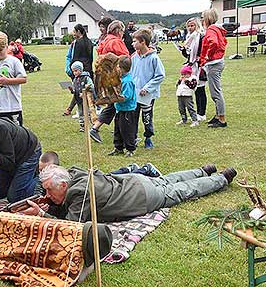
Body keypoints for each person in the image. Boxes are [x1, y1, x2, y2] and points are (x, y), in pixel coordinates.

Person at [22, 163, 237, 222]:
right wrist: (52, 203)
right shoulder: (74, 174)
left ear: (63, 186)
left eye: (50, 190)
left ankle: (221, 178)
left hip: (141, 197)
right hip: (135, 181)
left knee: (182, 191)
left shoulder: (80, 194)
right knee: (170, 179)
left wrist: (43, 214)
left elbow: (72, 224)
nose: (48, 194)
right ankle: (203, 170)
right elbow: (64, 203)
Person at [89, 20, 130, 143]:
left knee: (113, 104)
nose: (123, 34)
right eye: (122, 31)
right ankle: (97, 128)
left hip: (106, 77)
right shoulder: (116, 42)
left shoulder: (105, 40)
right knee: (118, 104)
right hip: (115, 77)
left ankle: (121, 131)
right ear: (118, 31)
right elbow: (125, 59)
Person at [131, 29, 165, 149]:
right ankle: (133, 138)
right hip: (135, 93)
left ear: (143, 42)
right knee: (133, 116)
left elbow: (160, 75)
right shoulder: (134, 57)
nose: (132, 44)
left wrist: (148, 88)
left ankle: (148, 137)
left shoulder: (154, 58)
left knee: (147, 117)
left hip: (147, 95)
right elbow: (131, 74)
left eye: (135, 41)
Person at [200, 8, 228, 128]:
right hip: (217, 62)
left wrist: (207, 56)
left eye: (202, 17)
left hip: (214, 64)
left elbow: (214, 43)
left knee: (216, 92)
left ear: (208, 18)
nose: (201, 20)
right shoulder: (217, 28)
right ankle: (218, 116)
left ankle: (221, 119)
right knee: (215, 91)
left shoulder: (211, 29)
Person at [107, 56, 137, 157]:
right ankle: (118, 148)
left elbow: (126, 97)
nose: (116, 69)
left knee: (127, 131)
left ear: (123, 68)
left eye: (118, 67)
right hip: (119, 109)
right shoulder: (120, 79)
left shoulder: (127, 81)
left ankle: (130, 149)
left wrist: (113, 98)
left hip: (127, 110)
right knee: (118, 129)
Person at [184, 17, 207, 122]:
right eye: (188, 26)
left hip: (200, 66)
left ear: (197, 25)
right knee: (195, 89)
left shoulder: (200, 36)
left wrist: (199, 58)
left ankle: (202, 113)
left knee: (200, 90)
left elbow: (203, 50)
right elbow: (188, 55)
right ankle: (197, 112)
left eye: (192, 25)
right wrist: (184, 50)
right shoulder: (189, 37)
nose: (190, 28)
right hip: (192, 66)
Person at [70, 61, 94, 132]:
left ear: (80, 70)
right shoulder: (75, 79)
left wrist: (85, 92)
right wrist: (72, 90)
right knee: (81, 113)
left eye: (76, 71)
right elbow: (75, 90)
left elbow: (91, 86)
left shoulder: (86, 78)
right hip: (79, 100)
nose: (74, 73)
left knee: (88, 112)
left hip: (87, 99)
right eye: (73, 71)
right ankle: (82, 126)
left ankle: (92, 126)